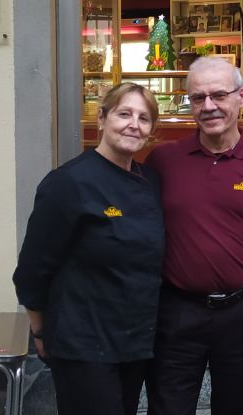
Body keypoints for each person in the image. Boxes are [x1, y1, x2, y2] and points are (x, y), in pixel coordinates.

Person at [146, 56, 243, 415]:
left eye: (219, 95)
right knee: (166, 408)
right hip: (176, 310)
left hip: (242, 312)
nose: (209, 106)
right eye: (198, 98)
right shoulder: (163, 161)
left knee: (238, 409)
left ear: (241, 97)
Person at [13, 82, 164, 415]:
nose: (133, 124)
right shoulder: (69, 183)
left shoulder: (149, 181)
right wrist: (39, 330)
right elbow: (31, 270)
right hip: (83, 343)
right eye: (124, 114)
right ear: (102, 118)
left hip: (134, 340)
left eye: (143, 118)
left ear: (150, 130)